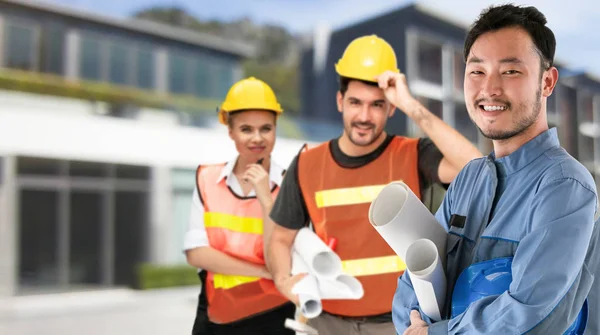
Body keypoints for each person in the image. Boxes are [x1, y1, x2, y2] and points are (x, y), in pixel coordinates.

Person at [392, 4, 600, 335]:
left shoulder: (565, 185)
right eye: (477, 71)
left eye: (510, 71)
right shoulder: (468, 180)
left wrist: (438, 332)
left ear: (547, 82)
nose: (489, 89)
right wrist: (414, 321)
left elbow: (531, 312)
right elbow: (413, 278)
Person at [265, 34, 482, 335]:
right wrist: (282, 279)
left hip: (396, 323)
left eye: (377, 105)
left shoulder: (414, 155)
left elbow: (476, 168)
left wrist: (411, 105)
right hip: (326, 324)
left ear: (391, 108)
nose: (364, 116)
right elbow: (279, 238)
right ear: (340, 101)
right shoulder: (306, 163)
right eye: (355, 102)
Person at [183, 77, 295, 335]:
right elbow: (196, 254)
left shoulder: (292, 184)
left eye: (266, 128)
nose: (257, 138)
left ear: (276, 128)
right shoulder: (207, 178)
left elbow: (280, 263)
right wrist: (264, 273)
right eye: (246, 129)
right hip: (215, 319)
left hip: (272, 321)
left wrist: (266, 198)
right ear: (230, 131)